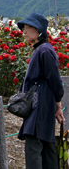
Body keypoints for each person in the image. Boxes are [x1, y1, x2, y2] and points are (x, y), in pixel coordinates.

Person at [17, 12, 64, 169]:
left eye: (27, 27)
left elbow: (55, 79)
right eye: (23, 27)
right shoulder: (42, 49)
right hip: (42, 100)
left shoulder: (44, 50)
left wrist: (58, 102)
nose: (23, 31)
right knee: (46, 143)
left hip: (40, 102)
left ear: (38, 31)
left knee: (34, 144)